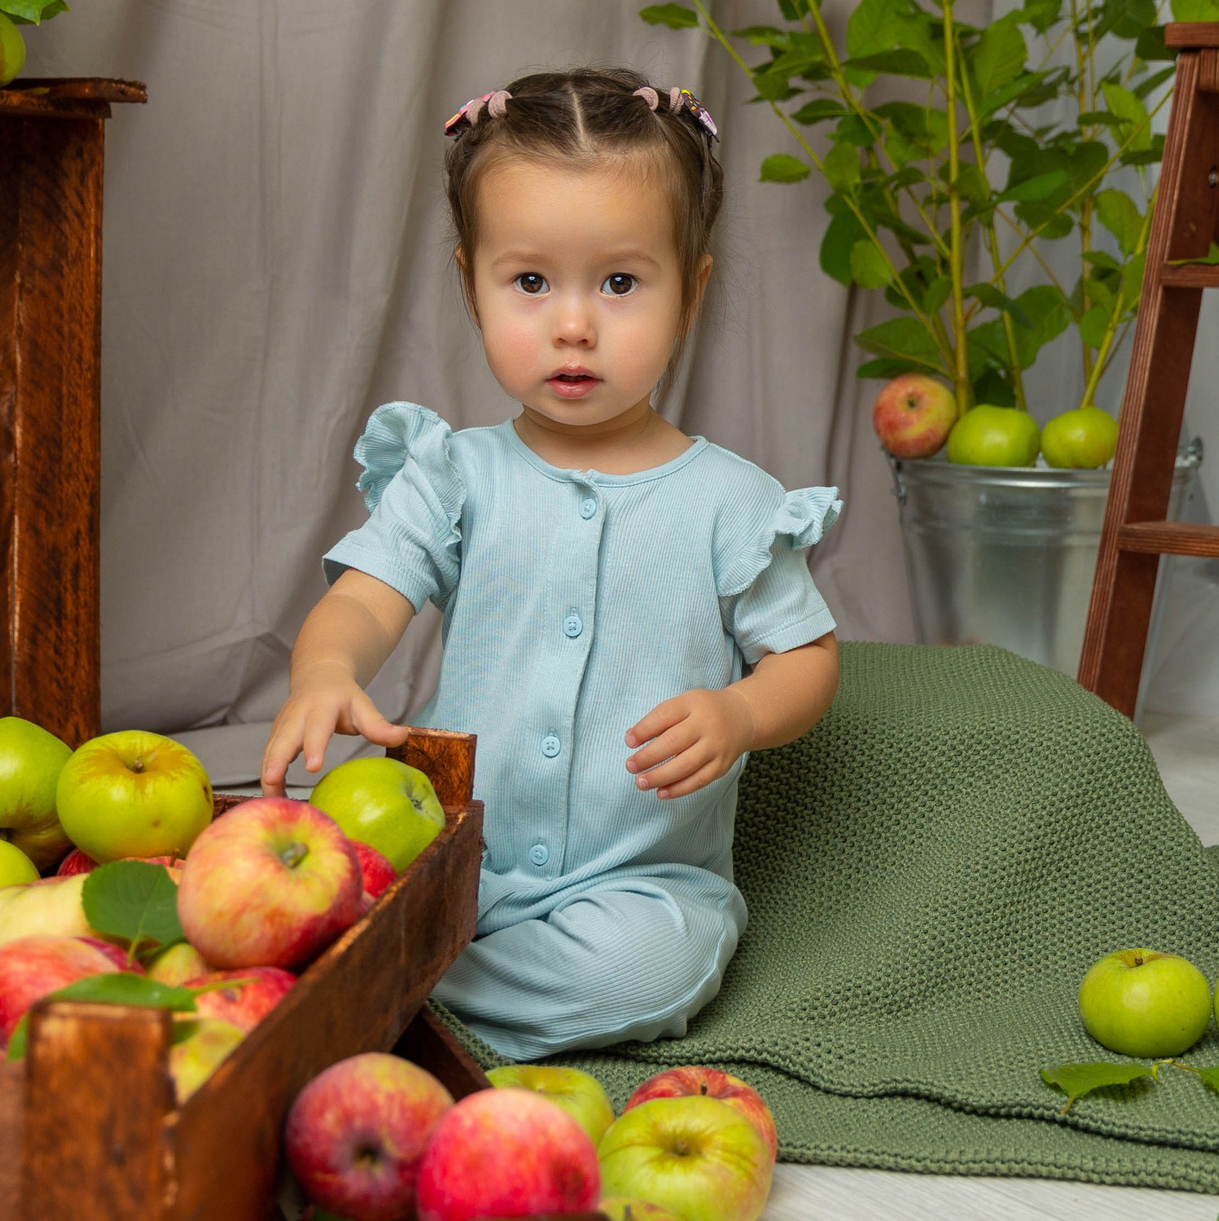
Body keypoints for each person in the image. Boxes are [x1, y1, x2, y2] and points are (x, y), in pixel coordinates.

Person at [260, 67, 842, 1060]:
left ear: (690, 292)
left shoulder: (729, 503)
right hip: (448, 848)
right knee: (311, 867)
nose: (573, 325)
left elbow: (806, 660)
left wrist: (740, 712)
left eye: (620, 283)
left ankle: (380, 995)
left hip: (638, 883)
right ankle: (385, 969)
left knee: (644, 970)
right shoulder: (455, 474)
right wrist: (324, 671)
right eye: (530, 282)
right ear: (469, 283)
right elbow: (366, 599)